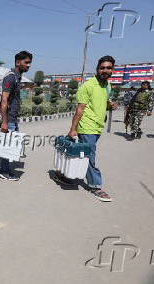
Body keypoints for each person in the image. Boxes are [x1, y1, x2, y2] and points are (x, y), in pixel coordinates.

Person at [53, 55, 118, 202]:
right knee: (90, 156)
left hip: (97, 127)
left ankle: (64, 175)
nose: (105, 70)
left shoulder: (107, 86)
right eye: (102, 68)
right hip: (87, 127)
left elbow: (104, 102)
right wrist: (73, 129)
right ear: (97, 69)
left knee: (79, 154)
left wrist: (110, 105)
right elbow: (80, 110)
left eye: (108, 68)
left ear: (112, 69)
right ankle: (96, 186)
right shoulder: (87, 86)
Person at [0, 51, 32, 180]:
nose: (29, 65)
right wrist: (4, 122)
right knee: (8, 145)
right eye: (26, 62)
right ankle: (4, 171)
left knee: (7, 143)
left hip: (12, 118)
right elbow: (4, 101)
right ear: (17, 62)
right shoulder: (11, 77)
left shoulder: (17, 77)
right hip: (8, 118)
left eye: (29, 62)